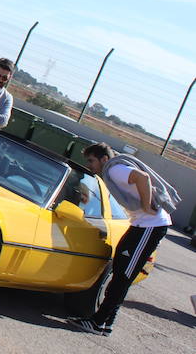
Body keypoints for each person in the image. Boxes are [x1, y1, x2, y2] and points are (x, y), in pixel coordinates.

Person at [68, 143, 178, 336]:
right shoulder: (114, 170)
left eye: (92, 160)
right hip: (141, 226)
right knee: (121, 271)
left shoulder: (115, 169)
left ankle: (98, 322)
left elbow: (142, 178)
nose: (90, 165)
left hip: (149, 227)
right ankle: (106, 323)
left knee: (123, 276)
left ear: (104, 159)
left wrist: (146, 207)